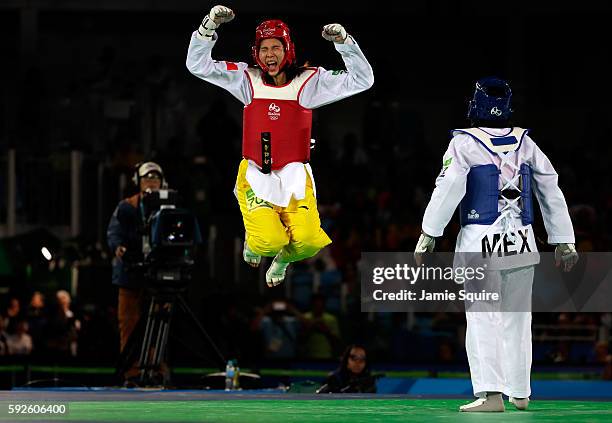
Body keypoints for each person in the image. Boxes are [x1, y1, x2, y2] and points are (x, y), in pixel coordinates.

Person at [414, 77, 578, 412]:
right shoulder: (525, 143)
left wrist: (429, 232)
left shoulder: (464, 144)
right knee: (518, 317)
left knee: (483, 316)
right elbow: (550, 187)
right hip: (520, 239)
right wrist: (564, 240)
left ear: (474, 105)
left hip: (481, 240)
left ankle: (490, 395)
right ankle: (520, 392)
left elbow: (448, 189)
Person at [186, 5, 374, 287]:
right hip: (256, 174)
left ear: (288, 49)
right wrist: (208, 26)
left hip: (294, 177)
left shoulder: (309, 81)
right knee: (268, 242)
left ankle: (282, 261)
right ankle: (255, 243)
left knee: (310, 242)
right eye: (263, 48)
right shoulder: (245, 79)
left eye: (276, 47)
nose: (269, 54)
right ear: (255, 53)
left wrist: (345, 44)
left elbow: (363, 80)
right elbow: (197, 65)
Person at [106, 161, 167, 385]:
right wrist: (118, 247)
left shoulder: (169, 207)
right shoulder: (126, 207)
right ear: (137, 182)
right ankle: (131, 373)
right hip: (130, 275)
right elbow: (114, 232)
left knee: (159, 325)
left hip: (159, 276)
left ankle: (156, 370)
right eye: (146, 179)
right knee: (129, 325)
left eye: (155, 179)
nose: (151, 183)